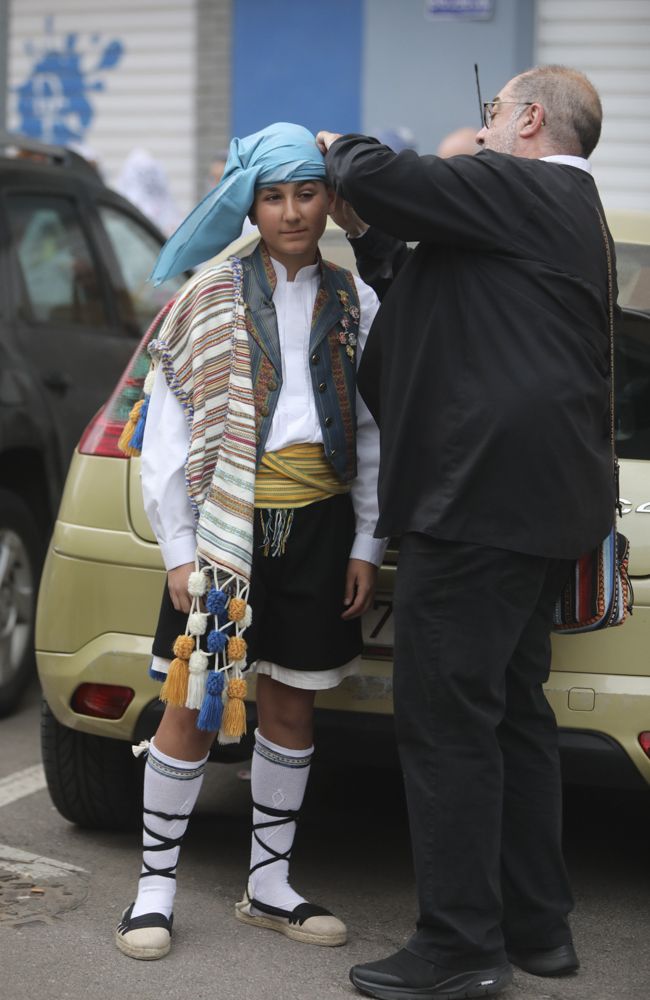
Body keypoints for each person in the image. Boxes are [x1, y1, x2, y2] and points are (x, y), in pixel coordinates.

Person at [316, 64, 615, 999]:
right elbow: (419, 281)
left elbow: (374, 173)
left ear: (528, 120)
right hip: (532, 507)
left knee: (447, 723)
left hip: (477, 502)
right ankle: (537, 928)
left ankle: (458, 949)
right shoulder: (547, 215)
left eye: (491, 117)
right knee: (514, 716)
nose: (482, 131)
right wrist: (366, 237)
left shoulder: (530, 183)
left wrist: (337, 152)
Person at [114, 122, 386, 961]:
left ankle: (269, 883)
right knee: (194, 705)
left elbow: (372, 430)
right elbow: (166, 435)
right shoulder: (206, 295)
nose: (294, 211)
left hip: (319, 524)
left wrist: (367, 541)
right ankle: (152, 891)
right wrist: (179, 550)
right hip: (227, 530)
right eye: (275, 196)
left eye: (308, 193)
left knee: (292, 702)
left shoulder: (356, 299)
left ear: (330, 201)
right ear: (251, 205)